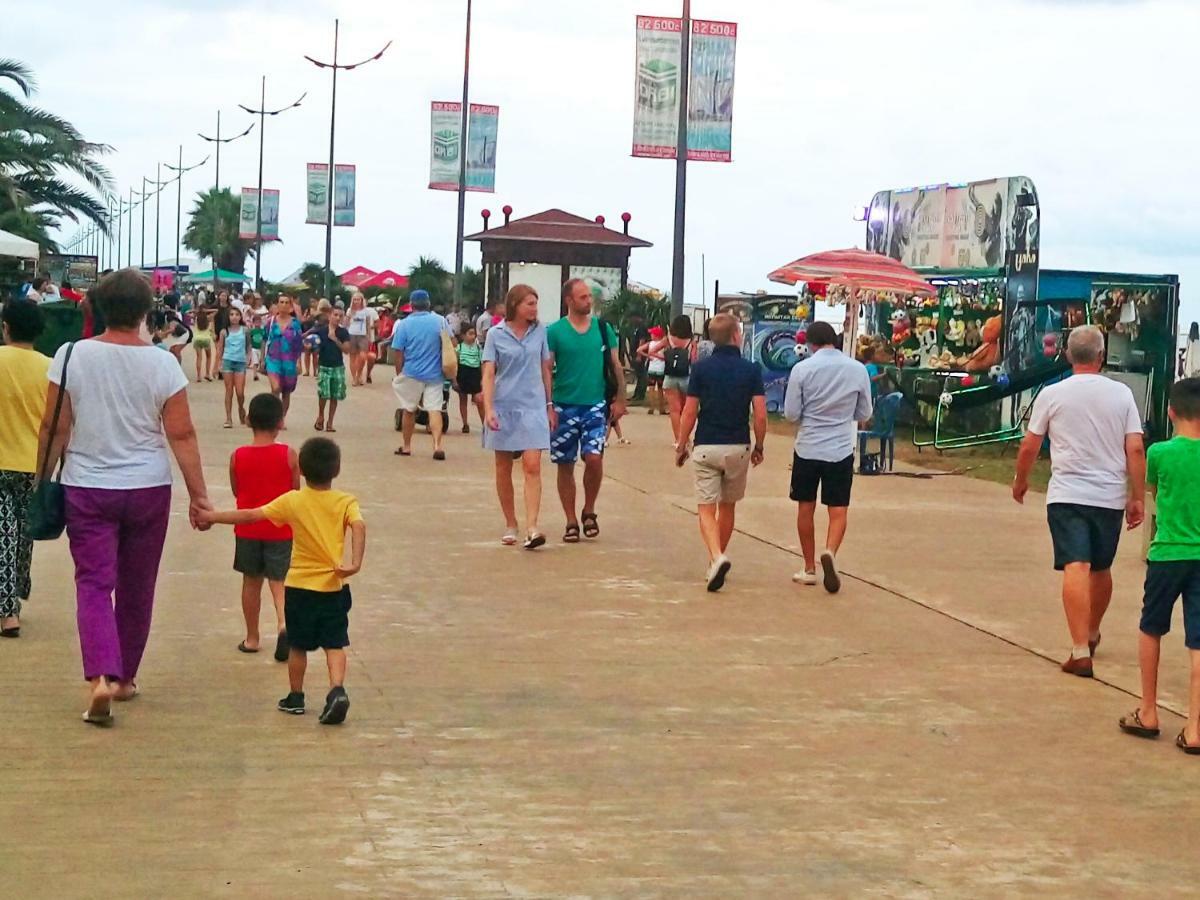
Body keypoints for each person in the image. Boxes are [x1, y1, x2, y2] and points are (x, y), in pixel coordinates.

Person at [39, 268, 210, 726]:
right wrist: (200, 497)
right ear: (145, 312)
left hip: (87, 485)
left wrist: (42, 479)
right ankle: (125, 679)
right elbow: (182, 433)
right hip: (147, 488)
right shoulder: (162, 363)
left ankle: (99, 676)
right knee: (138, 587)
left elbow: (56, 426)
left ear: (95, 307)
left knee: (94, 582)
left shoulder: (70, 355)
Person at [199, 437, 365, 725]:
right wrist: (354, 563)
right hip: (332, 587)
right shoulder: (346, 501)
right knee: (335, 644)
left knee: (298, 646)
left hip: (300, 587)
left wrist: (212, 516)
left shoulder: (293, 501)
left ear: (300, 470)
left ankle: (296, 697)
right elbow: (358, 526)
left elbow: (251, 515)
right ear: (336, 469)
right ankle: (337, 689)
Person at [1014, 325, 1145, 678]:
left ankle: (1079, 649)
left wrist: (1021, 480)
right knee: (1101, 568)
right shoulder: (1122, 395)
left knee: (1076, 565)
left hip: (1068, 494)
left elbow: (1029, 444)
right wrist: (1137, 497)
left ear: (1068, 355)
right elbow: (1134, 447)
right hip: (1108, 496)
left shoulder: (1053, 394)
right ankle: (1091, 631)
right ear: (1101, 356)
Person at [1117, 378, 1200, 749]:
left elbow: (1152, 493)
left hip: (1167, 552)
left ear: (1171, 411)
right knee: (1198, 642)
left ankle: (1148, 710)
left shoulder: (1160, 454)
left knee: (1152, 627)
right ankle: (1195, 727)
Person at [674, 313, 767, 592]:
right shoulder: (751, 370)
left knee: (705, 508)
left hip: (706, 446)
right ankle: (716, 559)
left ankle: (716, 556)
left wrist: (681, 444)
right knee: (728, 506)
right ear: (737, 336)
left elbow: (689, 411)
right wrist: (759, 446)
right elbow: (760, 415)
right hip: (738, 446)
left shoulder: (701, 369)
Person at [783, 320, 873, 593]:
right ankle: (830, 551)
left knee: (805, 507)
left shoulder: (802, 369)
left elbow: (791, 414)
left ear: (810, 344)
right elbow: (864, 413)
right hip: (841, 449)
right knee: (838, 509)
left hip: (808, 447)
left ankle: (809, 567)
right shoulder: (857, 369)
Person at [547, 278, 626, 543]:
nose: (588, 301)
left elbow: (616, 365)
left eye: (589, 297)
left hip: (595, 404)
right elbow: (547, 369)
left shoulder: (603, 329)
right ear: (568, 300)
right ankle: (570, 519)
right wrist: (547, 404)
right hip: (564, 405)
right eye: (582, 297)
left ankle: (589, 509)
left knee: (594, 458)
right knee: (565, 464)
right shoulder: (554, 332)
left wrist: (620, 399)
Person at [481, 284, 555, 549]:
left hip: (533, 405)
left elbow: (545, 368)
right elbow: (489, 372)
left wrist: (549, 404)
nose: (534, 309)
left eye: (536, 303)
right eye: (529, 304)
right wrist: (488, 408)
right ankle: (511, 522)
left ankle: (533, 527)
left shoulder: (541, 332)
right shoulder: (495, 334)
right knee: (503, 465)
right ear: (515, 305)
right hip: (504, 404)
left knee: (533, 465)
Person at [229, 394, 299, 660]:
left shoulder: (238, 456)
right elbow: (295, 491)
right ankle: (283, 623)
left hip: (247, 528)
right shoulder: (289, 454)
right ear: (280, 422)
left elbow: (237, 489)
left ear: (248, 420)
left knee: (251, 582)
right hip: (280, 529)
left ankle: (252, 637)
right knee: (279, 581)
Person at [0, 301, 49, 638]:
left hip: (1, 461)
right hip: (33, 463)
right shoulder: (50, 367)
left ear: (6, 327)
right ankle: (15, 593)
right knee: (22, 537)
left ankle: (7, 612)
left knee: (4, 534)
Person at [391, 289, 450, 460]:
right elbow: (451, 343)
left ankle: (407, 446)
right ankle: (437, 446)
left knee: (409, 410)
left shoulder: (404, 324)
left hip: (412, 372)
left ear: (411, 305)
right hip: (435, 373)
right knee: (435, 409)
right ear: (428, 303)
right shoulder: (440, 321)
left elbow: (398, 352)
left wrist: (399, 372)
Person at [264, 293, 304, 427]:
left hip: (289, 360)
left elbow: (299, 344)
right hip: (273, 358)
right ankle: (273, 417)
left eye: (287, 303)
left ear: (291, 306)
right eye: (281, 302)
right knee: (275, 388)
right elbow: (265, 340)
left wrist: (299, 362)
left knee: (286, 392)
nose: (284, 305)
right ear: (277, 304)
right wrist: (261, 359)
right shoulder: (270, 321)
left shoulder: (295, 323)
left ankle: (281, 418)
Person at [309, 307, 351, 433]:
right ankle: (321, 415)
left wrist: (335, 339)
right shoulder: (321, 331)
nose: (337, 318)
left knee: (335, 396)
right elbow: (313, 346)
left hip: (337, 366)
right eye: (335, 315)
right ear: (330, 316)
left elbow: (347, 350)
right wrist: (310, 346)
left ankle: (330, 422)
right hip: (324, 365)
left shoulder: (343, 332)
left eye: (340, 316)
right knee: (323, 394)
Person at [660, 315, 697, 443]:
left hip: (670, 377)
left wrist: (664, 358)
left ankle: (678, 439)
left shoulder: (668, 340)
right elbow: (693, 360)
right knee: (686, 410)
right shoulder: (691, 342)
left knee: (674, 411)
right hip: (686, 377)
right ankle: (686, 437)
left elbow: (651, 350)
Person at [215, 305, 249, 428]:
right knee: (229, 391)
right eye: (231, 315)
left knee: (240, 392)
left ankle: (241, 408)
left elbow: (248, 346)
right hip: (228, 361)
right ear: (228, 317)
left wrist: (249, 358)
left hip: (240, 362)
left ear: (240, 317)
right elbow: (220, 348)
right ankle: (228, 418)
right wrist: (217, 364)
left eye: (237, 315)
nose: (234, 317)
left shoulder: (245, 330)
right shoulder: (224, 332)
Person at [455, 324, 485, 434]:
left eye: (474, 334)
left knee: (479, 400)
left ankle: (484, 424)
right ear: (463, 336)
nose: (473, 337)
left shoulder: (478, 348)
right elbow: (455, 363)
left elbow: (481, 363)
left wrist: (482, 378)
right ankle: (465, 423)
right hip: (463, 374)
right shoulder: (459, 348)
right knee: (463, 400)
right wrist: (455, 379)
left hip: (475, 375)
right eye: (470, 334)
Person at [346, 292, 377, 387]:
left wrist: (368, 336)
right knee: (352, 357)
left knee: (363, 356)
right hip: (352, 334)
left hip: (363, 335)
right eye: (354, 299)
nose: (356, 301)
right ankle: (354, 377)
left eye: (358, 299)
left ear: (361, 300)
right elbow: (346, 323)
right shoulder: (350, 310)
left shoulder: (366, 311)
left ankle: (359, 374)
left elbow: (368, 324)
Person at [637, 325, 668, 416]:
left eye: (652, 334)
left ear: (656, 335)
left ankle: (651, 407)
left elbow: (639, 350)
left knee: (651, 388)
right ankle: (661, 408)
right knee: (660, 389)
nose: (651, 335)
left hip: (652, 368)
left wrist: (648, 356)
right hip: (661, 368)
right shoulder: (664, 344)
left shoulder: (650, 344)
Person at [192, 308, 215, 382]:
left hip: (197, 339)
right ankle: (207, 374)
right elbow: (216, 311)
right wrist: (207, 310)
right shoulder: (208, 318)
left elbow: (186, 312)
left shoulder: (196, 318)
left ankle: (198, 376)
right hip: (206, 339)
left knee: (199, 357)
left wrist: (197, 311)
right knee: (208, 357)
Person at [248, 313, 265, 381]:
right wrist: (249, 349)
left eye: (259, 322)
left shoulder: (263, 331)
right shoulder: (252, 331)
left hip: (261, 348)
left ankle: (260, 370)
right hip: (254, 348)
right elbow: (250, 340)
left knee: (260, 360)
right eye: (256, 322)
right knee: (255, 362)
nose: (257, 323)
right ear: (253, 322)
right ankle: (255, 374)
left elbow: (264, 340)